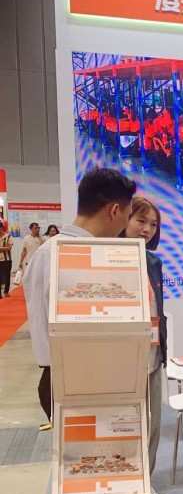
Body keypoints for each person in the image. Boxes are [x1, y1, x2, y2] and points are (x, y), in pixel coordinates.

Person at [25, 168, 136, 430]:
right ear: (114, 211)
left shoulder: (50, 252)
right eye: (128, 216)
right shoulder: (66, 255)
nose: (126, 227)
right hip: (75, 381)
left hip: (75, 376)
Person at [123, 197, 168, 494]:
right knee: (127, 427)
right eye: (140, 221)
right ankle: (128, 491)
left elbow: (158, 310)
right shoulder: (110, 256)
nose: (147, 229)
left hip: (153, 354)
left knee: (153, 426)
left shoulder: (153, 262)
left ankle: (146, 486)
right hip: (125, 359)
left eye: (153, 224)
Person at [0, 221, 12, 299]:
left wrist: (1, 249)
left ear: (1, 228)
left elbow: (9, 248)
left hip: (7, 260)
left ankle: (6, 292)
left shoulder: (8, 236)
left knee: (7, 276)